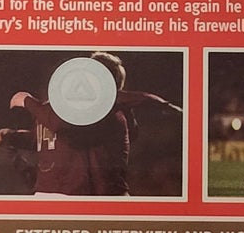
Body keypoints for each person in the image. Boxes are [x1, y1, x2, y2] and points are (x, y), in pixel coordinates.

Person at [12, 51, 181, 196]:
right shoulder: (55, 109)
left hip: (89, 197)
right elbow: (46, 139)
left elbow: (64, 130)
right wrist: (13, 137)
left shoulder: (104, 115)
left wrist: (26, 101)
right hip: (53, 194)